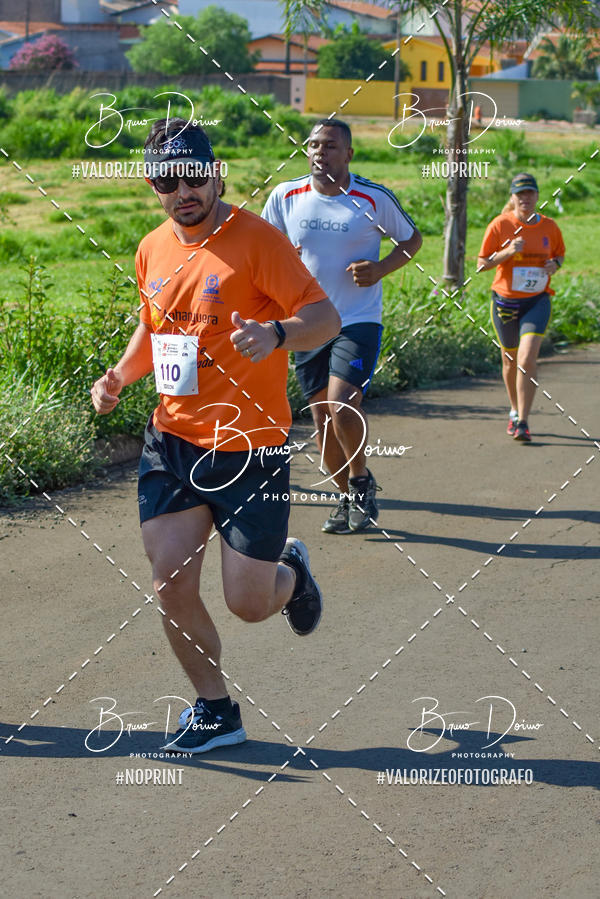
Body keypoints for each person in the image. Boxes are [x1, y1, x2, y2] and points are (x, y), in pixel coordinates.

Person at [90, 119, 340, 754]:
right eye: (167, 182)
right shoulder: (152, 248)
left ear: (217, 174)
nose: (184, 192)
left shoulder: (256, 241)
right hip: (172, 442)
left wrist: (277, 334)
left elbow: (325, 318)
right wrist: (118, 376)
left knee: (248, 604)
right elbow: (155, 327)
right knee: (170, 582)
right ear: (153, 187)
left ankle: (290, 573)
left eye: (194, 177)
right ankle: (216, 710)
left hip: (250, 447)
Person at [261, 119, 422, 534]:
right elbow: (263, 249)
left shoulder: (372, 198)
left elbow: (411, 240)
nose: (320, 152)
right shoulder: (286, 196)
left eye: (330, 146)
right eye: (314, 144)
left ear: (348, 154)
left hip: (357, 319)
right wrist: (284, 257)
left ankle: (361, 479)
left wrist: (381, 268)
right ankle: (347, 496)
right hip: (307, 322)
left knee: (342, 403)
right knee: (322, 424)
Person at [478, 173, 565, 442]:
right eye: (520, 194)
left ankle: (523, 421)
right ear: (512, 197)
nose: (525, 198)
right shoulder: (500, 225)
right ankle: (514, 410)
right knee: (510, 360)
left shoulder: (549, 227)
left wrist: (555, 265)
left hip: (537, 301)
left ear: (537, 196)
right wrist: (508, 252)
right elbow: (482, 264)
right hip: (505, 302)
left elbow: (560, 254)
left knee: (526, 360)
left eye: (530, 193)